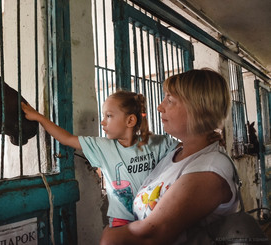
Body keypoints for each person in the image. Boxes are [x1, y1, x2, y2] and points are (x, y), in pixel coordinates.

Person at [99, 69, 239, 244]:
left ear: (197, 109)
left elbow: (153, 233)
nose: (160, 106)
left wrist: (110, 236)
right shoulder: (175, 153)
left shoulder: (210, 168)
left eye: (170, 100)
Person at [21, 90, 180, 227]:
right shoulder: (102, 147)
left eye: (109, 116)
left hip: (154, 218)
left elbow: (188, 153)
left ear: (130, 120)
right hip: (121, 222)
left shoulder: (158, 144)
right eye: (103, 116)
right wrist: (39, 118)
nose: (103, 122)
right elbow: (67, 139)